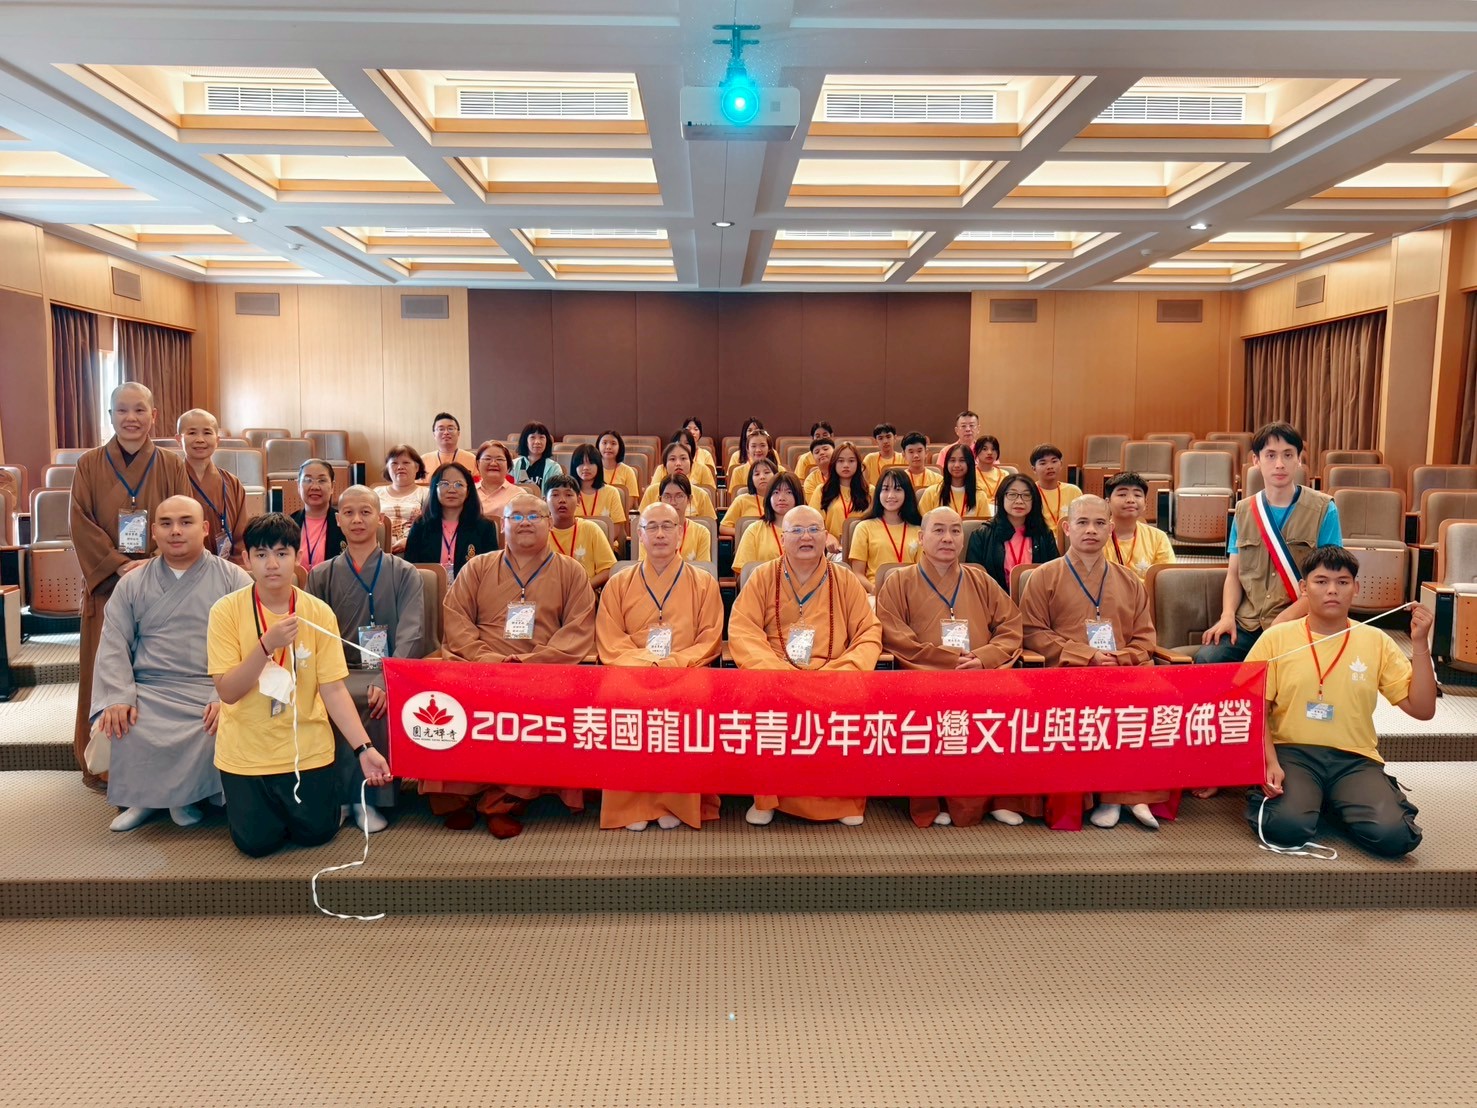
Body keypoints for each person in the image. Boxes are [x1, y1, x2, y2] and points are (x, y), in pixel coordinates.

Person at [206, 513, 392, 858]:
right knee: (256, 844)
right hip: (247, 752)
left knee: (317, 834)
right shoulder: (225, 611)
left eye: (282, 553)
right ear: (246, 559)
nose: (271, 564)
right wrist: (266, 645)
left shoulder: (318, 612)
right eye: (261, 554)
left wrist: (364, 749)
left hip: (307, 749)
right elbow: (228, 692)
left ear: (298, 557)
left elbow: (333, 690)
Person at [419, 493, 595, 838]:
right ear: (503, 525)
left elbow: (578, 629)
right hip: (478, 663)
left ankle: (502, 802)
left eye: (534, 516)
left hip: (540, 667)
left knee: (538, 705)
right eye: (516, 517)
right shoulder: (478, 567)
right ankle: (455, 797)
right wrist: (488, 659)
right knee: (443, 693)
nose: (525, 523)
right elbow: (456, 619)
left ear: (549, 523)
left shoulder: (571, 571)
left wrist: (530, 662)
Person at [1247, 546, 1433, 858]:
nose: (1332, 590)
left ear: (1356, 588)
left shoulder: (1376, 640)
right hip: (1292, 753)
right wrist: (1269, 762)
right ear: (1304, 588)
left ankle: (1327, 801)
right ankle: (1320, 801)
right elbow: (1254, 709)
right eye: (1321, 581)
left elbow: (1423, 709)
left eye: (1342, 582)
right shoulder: (1276, 638)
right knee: (1286, 828)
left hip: (1354, 758)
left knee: (1396, 836)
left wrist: (1419, 644)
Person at [91, 496, 252, 831]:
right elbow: (113, 642)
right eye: (166, 524)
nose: (175, 531)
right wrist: (119, 694)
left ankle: (185, 798)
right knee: (127, 717)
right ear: (154, 531)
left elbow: (251, 643)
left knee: (211, 723)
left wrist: (223, 695)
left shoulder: (233, 578)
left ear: (204, 528)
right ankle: (143, 800)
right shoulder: (133, 583)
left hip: (209, 686)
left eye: (185, 522)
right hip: (149, 688)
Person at [1020, 495, 1169, 831]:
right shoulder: (1044, 576)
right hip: (1068, 671)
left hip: (1123, 670)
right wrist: (1086, 655)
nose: (1091, 530)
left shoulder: (1129, 580)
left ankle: (1130, 795)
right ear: (1066, 528)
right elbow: (1031, 632)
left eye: (1100, 523)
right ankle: (1110, 796)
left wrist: (1119, 658)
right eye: (1083, 523)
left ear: (1110, 528)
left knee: (1159, 698)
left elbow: (1146, 638)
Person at [729, 504, 882, 826]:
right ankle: (767, 798)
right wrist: (772, 669)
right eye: (796, 531)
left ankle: (840, 801)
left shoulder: (844, 578)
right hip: (775, 672)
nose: (806, 537)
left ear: (826, 536)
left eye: (813, 530)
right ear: (782, 538)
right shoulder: (763, 576)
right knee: (759, 699)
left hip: (834, 672)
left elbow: (868, 630)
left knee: (853, 700)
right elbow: (743, 629)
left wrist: (846, 669)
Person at [70, 382, 191, 785]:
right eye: (122, 410)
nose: (131, 418)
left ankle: (162, 770)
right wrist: (120, 566)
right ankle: (105, 768)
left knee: (158, 673)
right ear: (110, 416)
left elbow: (184, 517)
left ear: (153, 416)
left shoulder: (172, 464)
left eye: (140, 410)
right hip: (108, 585)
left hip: (161, 585)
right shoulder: (89, 464)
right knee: (105, 672)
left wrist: (155, 562)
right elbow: (80, 523)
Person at [876, 507, 1024, 829]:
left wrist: (984, 657)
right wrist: (946, 660)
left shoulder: (980, 579)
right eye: (939, 530)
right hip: (924, 675)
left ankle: (996, 799)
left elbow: (1011, 625)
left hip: (980, 674)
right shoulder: (899, 581)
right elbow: (894, 635)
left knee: (1008, 705)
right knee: (926, 709)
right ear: (921, 538)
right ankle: (932, 801)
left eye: (955, 531)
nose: (948, 538)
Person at [596, 502, 725, 832]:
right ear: (639, 535)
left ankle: (677, 802)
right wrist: (646, 663)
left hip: (686, 668)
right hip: (631, 668)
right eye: (651, 527)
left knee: (693, 698)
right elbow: (610, 637)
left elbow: (710, 637)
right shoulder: (619, 583)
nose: (660, 534)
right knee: (615, 696)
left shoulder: (703, 582)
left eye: (668, 526)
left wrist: (673, 663)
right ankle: (631, 805)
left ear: (681, 532)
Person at [306, 485, 425, 834]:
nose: (357, 519)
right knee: (333, 698)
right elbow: (312, 633)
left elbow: (413, 632)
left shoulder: (404, 572)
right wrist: (328, 677)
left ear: (380, 518)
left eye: (365, 512)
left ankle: (367, 800)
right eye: (348, 513)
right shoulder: (321, 574)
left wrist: (388, 678)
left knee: (376, 701)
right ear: (338, 521)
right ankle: (339, 798)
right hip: (337, 670)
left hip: (388, 670)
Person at [1199, 421, 1342, 665]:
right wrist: (1227, 615)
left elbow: (1329, 579)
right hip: (1249, 623)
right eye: (1271, 455)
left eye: (1288, 455)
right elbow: (1233, 574)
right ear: (1256, 460)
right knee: (1208, 659)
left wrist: (1284, 620)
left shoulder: (1324, 510)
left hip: (1298, 622)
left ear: (1299, 460)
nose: (1279, 464)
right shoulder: (1244, 511)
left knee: (1297, 672)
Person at [404, 461, 499, 584]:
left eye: (459, 484)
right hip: (428, 591)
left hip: (470, 592)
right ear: (434, 489)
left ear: (468, 491)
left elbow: (491, 571)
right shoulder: (421, 525)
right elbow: (410, 568)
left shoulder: (485, 527)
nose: (452, 489)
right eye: (444, 484)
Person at [967, 474, 1059, 593]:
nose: (1019, 501)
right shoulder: (981, 535)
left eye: (1026, 495)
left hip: (1036, 599)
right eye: (1012, 494)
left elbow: (1055, 575)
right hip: (994, 600)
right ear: (1002, 498)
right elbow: (972, 580)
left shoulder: (1044, 535)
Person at [177, 408, 246, 561]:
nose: (200, 439)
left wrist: (233, 568)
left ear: (217, 440)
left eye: (207, 433)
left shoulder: (232, 483)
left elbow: (240, 537)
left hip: (226, 567)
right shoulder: (171, 480)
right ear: (178, 439)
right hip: (182, 565)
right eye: (192, 433)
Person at [848, 468, 923, 592]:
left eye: (897, 489)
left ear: (907, 493)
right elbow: (857, 573)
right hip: (875, 592)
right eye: (886, 489)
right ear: (878, 493)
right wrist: (873, 589)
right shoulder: (864, 528)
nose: (891, 495)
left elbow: (922, 572)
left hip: (910, 593)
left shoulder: (918, 530)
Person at [546, 475, 617, 588]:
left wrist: (583, 588)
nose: (562, 500)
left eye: (568, 495)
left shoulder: (591, 529)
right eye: (555, 495)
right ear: (544, 500)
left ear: (578, 500)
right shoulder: (539, 532)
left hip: (586, 591)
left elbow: (608, 569)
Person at [1103, 471, 1176, 581]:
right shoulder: (1096, 536)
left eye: (1137, 495)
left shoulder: (1158, 538)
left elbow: (1166, 580)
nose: (1130, 500)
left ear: (1145, 503)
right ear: (1107, 502)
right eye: (1122, 494)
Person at [731, 473, 802, 575]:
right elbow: (744, 574)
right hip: (763, 583)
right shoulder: (754, 530)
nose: (781, 498)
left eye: (789, 492)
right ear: (769, 497)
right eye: (776, 492)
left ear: (797, 496)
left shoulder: (808, 531)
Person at [639, 475, 712, 564]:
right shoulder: (648, 531)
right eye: (667, 497)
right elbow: (644, 567)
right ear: (660, 499)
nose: (673, 502)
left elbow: (703, 569)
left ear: (689, 499)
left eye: (679, 496)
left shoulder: (701, 532)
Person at [810, 440, 871, 546]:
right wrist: (827, 537)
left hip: (863, 546)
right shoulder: (822, 491)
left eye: (851, 461)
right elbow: (812, 524)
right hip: (832, 548)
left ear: (858, 464)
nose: (846, 465)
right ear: (834, 463)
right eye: (841, 461)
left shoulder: (870, 491)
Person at [290, 458, 344, 572]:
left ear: (332, 487)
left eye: (322, 480)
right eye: (308, 480)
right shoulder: (288, 524)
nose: (315, 487)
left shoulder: (343, 522)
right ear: (298, 486)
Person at [639, 440, 717, 518]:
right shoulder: (651, 492)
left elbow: (710, 523)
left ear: (691, 463)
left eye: (683, 458)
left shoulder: (701, 495)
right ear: (665, 465)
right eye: (672, 459)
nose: (678, 463)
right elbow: (641, 521)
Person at [376, 444, 427, 554]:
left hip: (414, 550)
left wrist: (411, 541)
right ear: (387, 468)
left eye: (406, 463)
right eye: (394, 463)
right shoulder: (376, 493)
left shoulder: (426, 493)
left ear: (417, 467)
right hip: (379, 550)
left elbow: (433, 526)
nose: (400, 467)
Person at [919, 443, 991, 520]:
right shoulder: (931, 493)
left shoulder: (980, 496)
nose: (956, 465)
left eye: (962, 460)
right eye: (952, 460)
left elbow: (984, 525)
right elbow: (922, 523)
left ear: (969, 464)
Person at [1030, 443, 1082, 540]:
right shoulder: (1029, 492)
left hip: (1068, 540)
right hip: (1039, 540)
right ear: (1034, 469)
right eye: (1043, 463)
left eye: (1054, 461)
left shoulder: (1073, 491)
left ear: (1061, 464)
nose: (1049, 466)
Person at [719, 456, 778, 540]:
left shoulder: (782, 500)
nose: (762, 477)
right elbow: (723, 528)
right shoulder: (741, 500)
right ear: (751, 480)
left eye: (767, 472)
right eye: (757, 474)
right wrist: (748, 532)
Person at [651, 430, 717, 491]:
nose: (682, 446)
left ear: (692, 447)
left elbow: (711, 493)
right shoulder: (661, 469)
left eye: (687, 443)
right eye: (673, 459)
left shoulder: (703, 469)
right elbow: (653, 493)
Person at [421, 412, 478, 482]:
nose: (446, 433)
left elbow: (477, 485)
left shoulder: (472, 459)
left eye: (450, 428)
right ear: (434, 434)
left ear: (458, 433)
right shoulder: (423, 460)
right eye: (441, 429)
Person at [511, 421, 564, 490]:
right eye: (532, 437)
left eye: (541, 437)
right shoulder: (513, 465)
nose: (537, 442)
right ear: (525, 441)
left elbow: (557, 492)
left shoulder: (554, 467)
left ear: (547, 441)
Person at [727, 428, 783, 492]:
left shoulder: (781, 470)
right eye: (753, 446)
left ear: (769, 448)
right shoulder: (738, 472)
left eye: (762, 445)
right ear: (747, 449)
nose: (758, 450)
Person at [474, 440, 519, 520]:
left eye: (500, 459)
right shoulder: (467, 492)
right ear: (478, 463)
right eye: (487, 459)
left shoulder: (519, 495)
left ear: (508, 465)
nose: (493, 463)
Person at [597, 430, 641, 506]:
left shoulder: (628, 471)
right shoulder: (593, 470)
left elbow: (629, 503)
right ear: (598, 446)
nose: (608, 447)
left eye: (613, 443)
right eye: (604, 443)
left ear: (619, 447)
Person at [899, 431, 942, 495]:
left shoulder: (938, 480)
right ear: (904, 455)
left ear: (926, 452)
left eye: (919, 451)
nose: (916, 455)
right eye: (911, 452)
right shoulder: (899, 480)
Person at [974, 435, 1009, 505]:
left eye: (993, 449)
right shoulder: (970, 474)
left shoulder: (1005, 475)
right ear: (976, 452)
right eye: (984, 449)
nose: (990, 453)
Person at [800, 436, 835, 502]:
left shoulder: (845, 474)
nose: (821, 453)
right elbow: (813, 504)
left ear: (835, 452)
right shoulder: (811, 480)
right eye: (817, 452)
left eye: (825, 449)